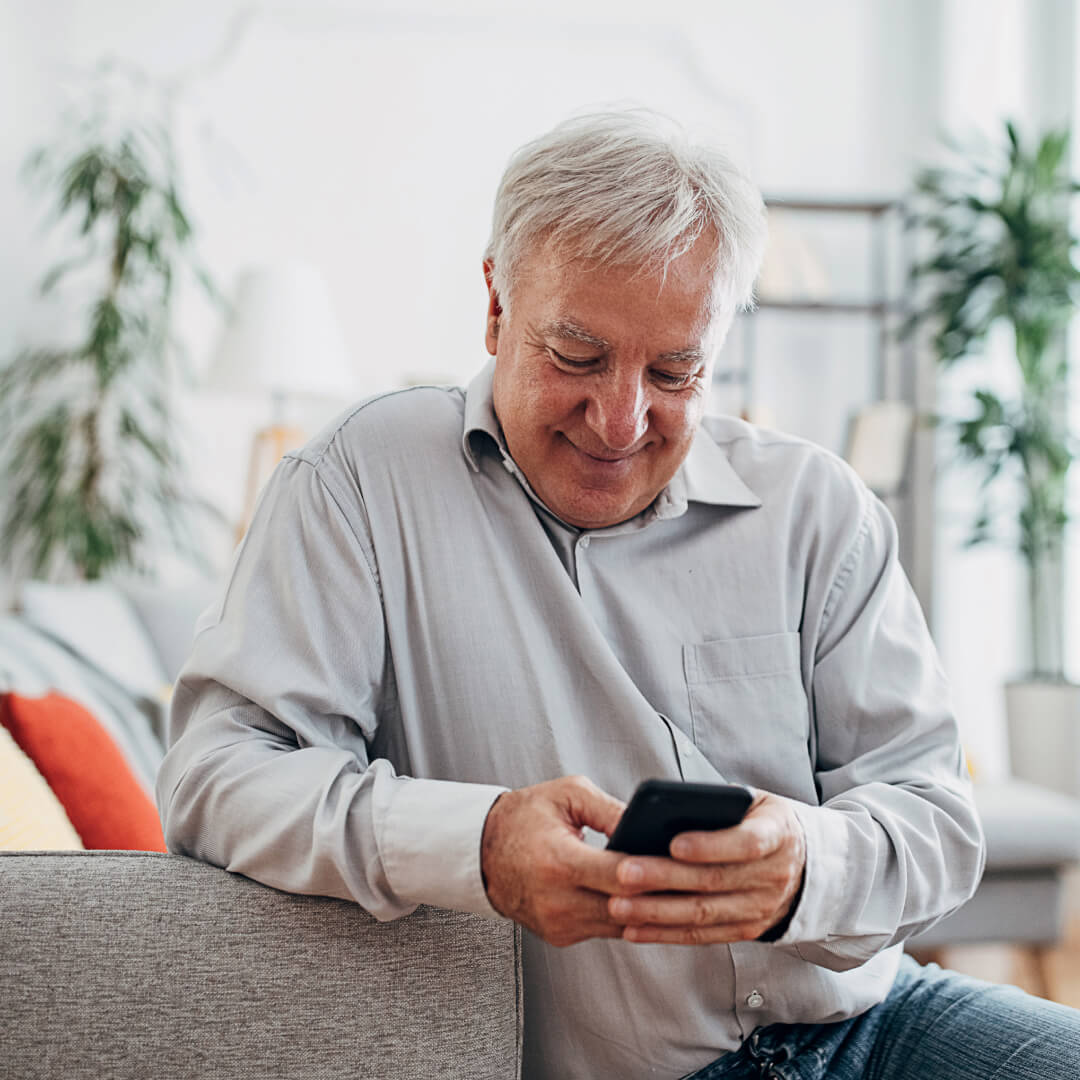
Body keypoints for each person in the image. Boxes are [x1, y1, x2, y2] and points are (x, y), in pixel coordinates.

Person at [157, 110, 1080, 1079]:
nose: (622, 419)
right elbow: (215, 779)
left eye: (677, 371)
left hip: (867, 1026)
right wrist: (478, 845)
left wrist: (809, 862)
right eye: (579, 356)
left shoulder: (817, 509)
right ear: (496, 305)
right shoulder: (359, 484)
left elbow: (938, 824)